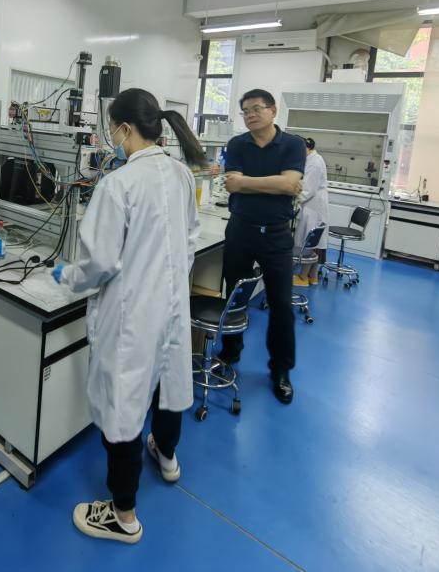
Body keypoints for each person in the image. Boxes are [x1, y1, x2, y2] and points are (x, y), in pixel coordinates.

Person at [52, 88, 206, 544]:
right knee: (168, 384)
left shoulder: (117, 185)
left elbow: (98, 264)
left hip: (132, 314)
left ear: (124, 128)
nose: (110, 138)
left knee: (122, 409)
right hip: (171, 306)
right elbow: (190, 238)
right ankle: (167, 457)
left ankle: (123, 516)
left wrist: (67, 275)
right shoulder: (180, 174)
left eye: (111, 129)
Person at [218, 89, 305, 404]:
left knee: (281, 305)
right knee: (234, 296)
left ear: (273, 111)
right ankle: (230, 350)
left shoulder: (293, 144)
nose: (251, 115)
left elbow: (290, 184)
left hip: (277, 236)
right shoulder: (237, 144)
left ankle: (280, 370)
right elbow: (235, 184)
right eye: (245, 111)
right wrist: (277, 183)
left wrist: (245, 183)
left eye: (256, 108)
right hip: (240, 231)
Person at [294, 137, 329, 286]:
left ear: (305, 148)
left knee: (309, 241)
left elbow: (307, 190)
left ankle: (303, 277)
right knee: (314, 241)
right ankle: (313, 276)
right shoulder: (313, 159)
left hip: (313, 206)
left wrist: (293, 199)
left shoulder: (314, 163)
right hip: (314, 205)